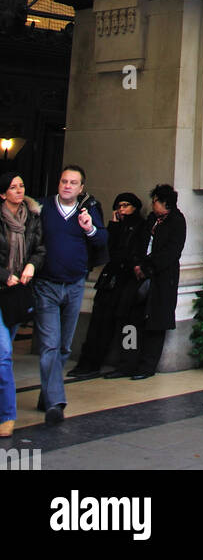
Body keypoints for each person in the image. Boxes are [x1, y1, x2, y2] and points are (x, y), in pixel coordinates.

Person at [34, 164, 107, 424]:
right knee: (50, 344)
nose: (67, 186)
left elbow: (101, 241)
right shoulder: (41, 208)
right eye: (64, 181)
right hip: (46, 285)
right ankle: (56, 402)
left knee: (64, 346)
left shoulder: (88, 210)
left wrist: (89, 228)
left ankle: (47, 392)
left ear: (81, 187)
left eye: (73, 182)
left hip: (75, 285)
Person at [67, 192, 145, 378]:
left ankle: (127, 364)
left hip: (127, 282)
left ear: (135, 207)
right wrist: (114, 225)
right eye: (118, 205)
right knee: (99, 323)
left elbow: (128, 252)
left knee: (128, 326)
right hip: (110, 281)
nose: (121, 209)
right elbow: (107, 250)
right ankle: (89, 362)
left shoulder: (139, 227)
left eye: (126, 205)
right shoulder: (117, 226)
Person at [118, 185, 186, 380]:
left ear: (165, 203)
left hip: (161, 279)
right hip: (140, 276)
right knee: (131, 320)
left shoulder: (177, 221)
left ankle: (147, 366)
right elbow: (138, 243)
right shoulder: (150, 220)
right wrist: (137, 264)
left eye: (155, 200)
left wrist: (148, 266)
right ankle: (126, 363)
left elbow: (172, 252)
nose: (152, 204)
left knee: (155, 324)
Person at [0, 171, 45, 437]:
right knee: (4, 355)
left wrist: (31, 265)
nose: (19, 190)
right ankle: (7, 415)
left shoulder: (33, 218)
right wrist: (6, 276)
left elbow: (40, 249)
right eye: (13, 187)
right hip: (2, 287)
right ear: (3, 193)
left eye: (21, 186)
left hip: (17, 296)